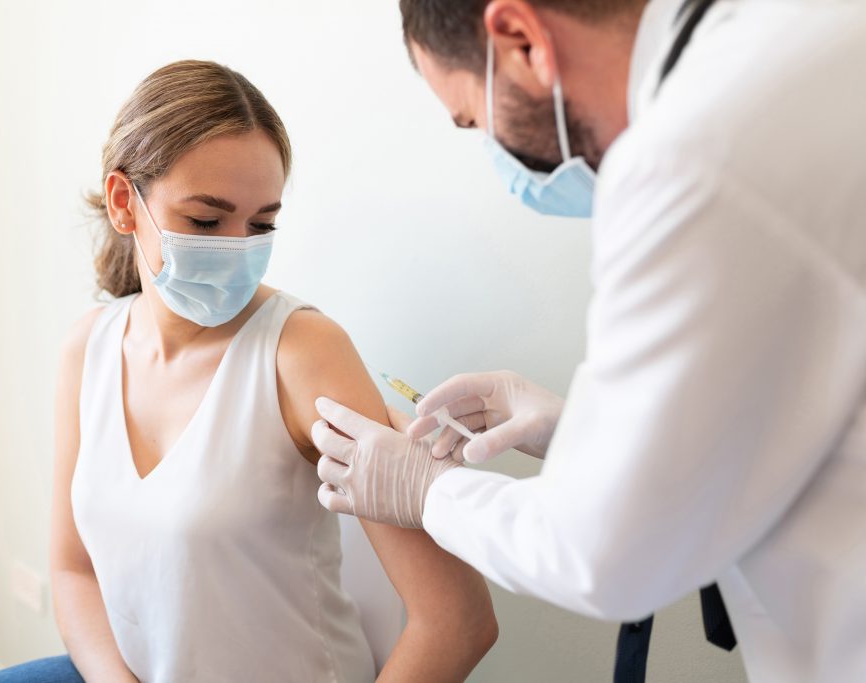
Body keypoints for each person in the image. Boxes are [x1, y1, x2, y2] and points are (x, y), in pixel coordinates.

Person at [312, 1, 866, 682]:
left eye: (474, 120)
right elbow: (802, 377)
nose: (494, 152)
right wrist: (579, 429)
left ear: (520, 40)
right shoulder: (811, 37)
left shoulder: (690, 160)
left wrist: (429, 490)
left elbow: (607, 555)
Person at [0, 59, 496, 683]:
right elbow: (73, 571)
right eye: (205, 221)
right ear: (123, 203)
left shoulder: (302, 354)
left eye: (262, 224)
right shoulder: (87, 349)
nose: (237, 246)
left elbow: (458, 620)